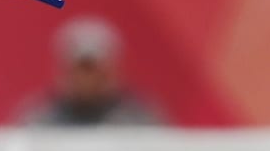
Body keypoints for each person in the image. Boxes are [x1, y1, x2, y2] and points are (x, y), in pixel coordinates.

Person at [19, 15, 165, 126]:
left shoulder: (139, 120)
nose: (87, 79)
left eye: (93, 69)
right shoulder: (40, 120)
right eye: (81, 69)